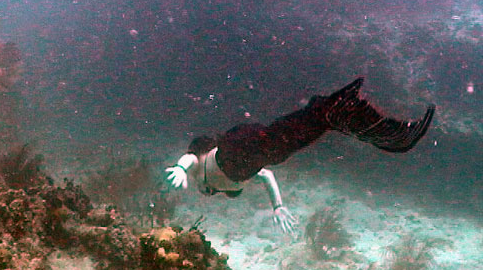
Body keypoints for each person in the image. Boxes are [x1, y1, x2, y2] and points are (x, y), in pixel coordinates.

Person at [165, 78, 435, 233]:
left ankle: (328, 110)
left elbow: (191, 157)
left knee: (276, 140)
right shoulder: (232, 180)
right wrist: (278, 206)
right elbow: (266, 176)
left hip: (233, 148)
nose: (207, 193)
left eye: (207, 193)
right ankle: (332, 112)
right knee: (285, 142)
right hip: (256, 153)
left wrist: (179, 167)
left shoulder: (199, 168)